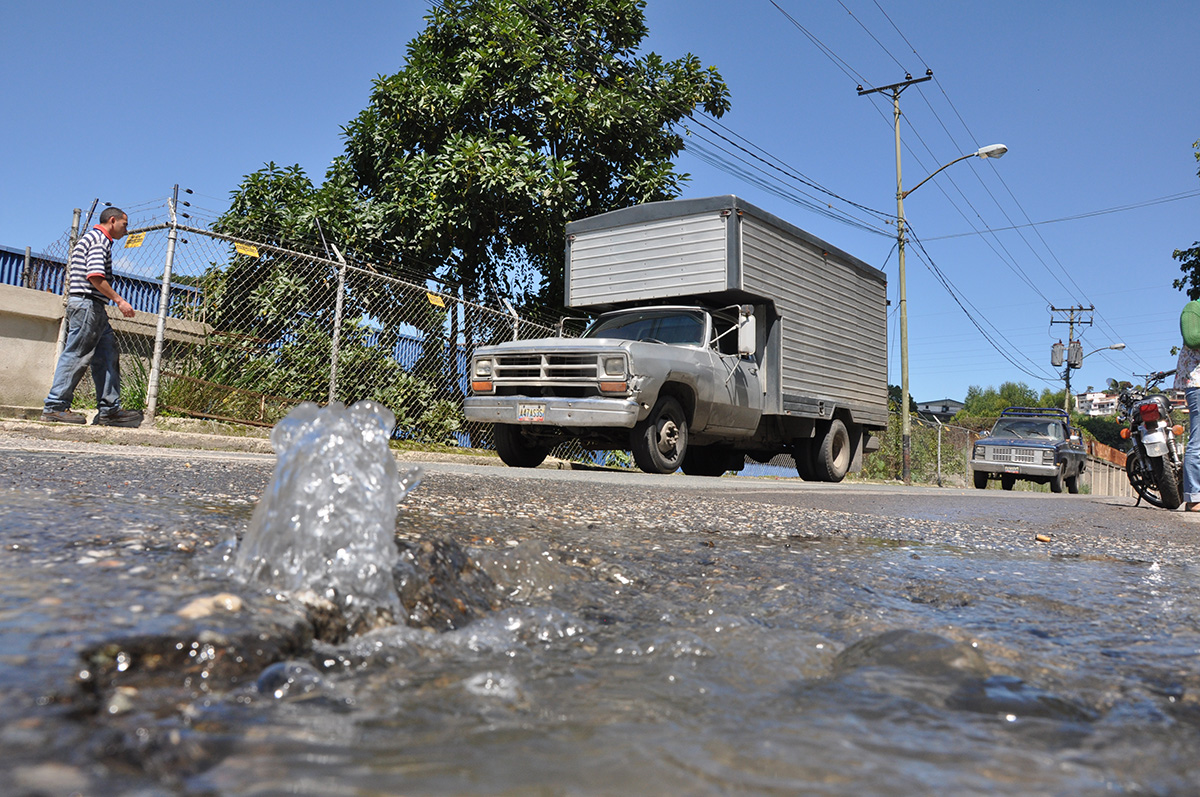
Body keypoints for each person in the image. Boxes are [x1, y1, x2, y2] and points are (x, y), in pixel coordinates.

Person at [41, 207, 144, 427]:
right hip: (88, 304)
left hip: (92, 306)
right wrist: (120, 300)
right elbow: (95, 276)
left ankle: (109, 410)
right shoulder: (99, 240)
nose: (126, 230)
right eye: (124, 224)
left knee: (107, 354)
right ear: (112, 221)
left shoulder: (93, 238)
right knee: (77, 354)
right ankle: (55, 407)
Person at [1176, 299, 1200, 510]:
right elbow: (1192, 338)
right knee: (1199, 439)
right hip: (1198, 383)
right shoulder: (1194, 308)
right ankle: (1194, 497)